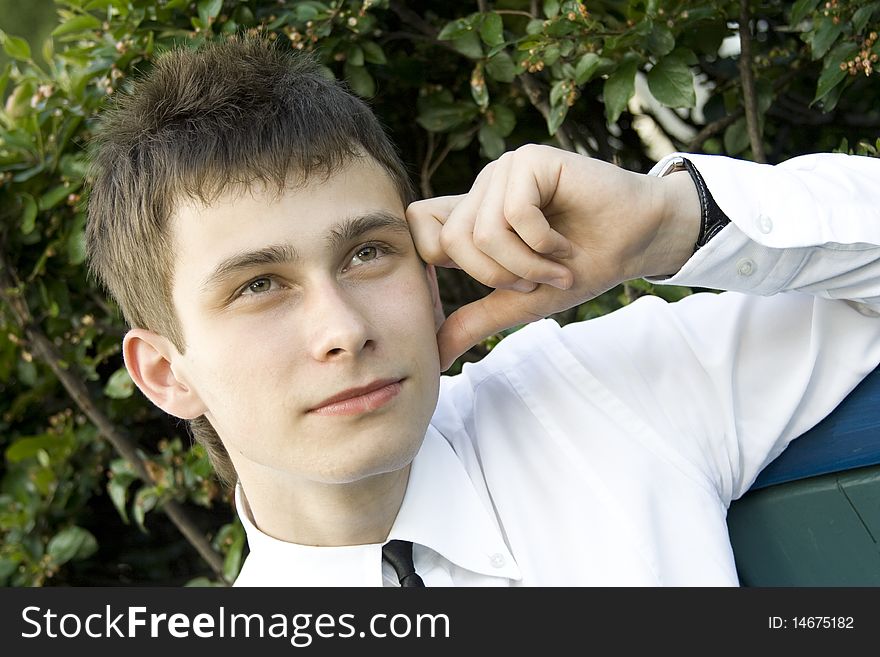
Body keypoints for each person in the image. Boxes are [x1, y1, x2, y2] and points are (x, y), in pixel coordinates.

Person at [85, 35, 880, 587]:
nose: (344, 328)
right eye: (258, 285)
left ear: (431, 275)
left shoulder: (596, 396)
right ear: (165, 372)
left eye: (367, 252)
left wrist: (665, 223)